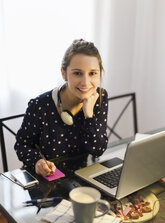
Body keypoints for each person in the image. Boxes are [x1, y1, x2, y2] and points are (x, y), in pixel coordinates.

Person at [14, 39, 108, 177]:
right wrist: (37, 162)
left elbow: (98, 150)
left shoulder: (100, 97)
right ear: (64, 73)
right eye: (77, 73)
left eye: (92, 73)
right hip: (47, 181)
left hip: (82, 176)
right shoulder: (40, 105)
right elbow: (22, 144)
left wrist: (89, 114)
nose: (86, 83)